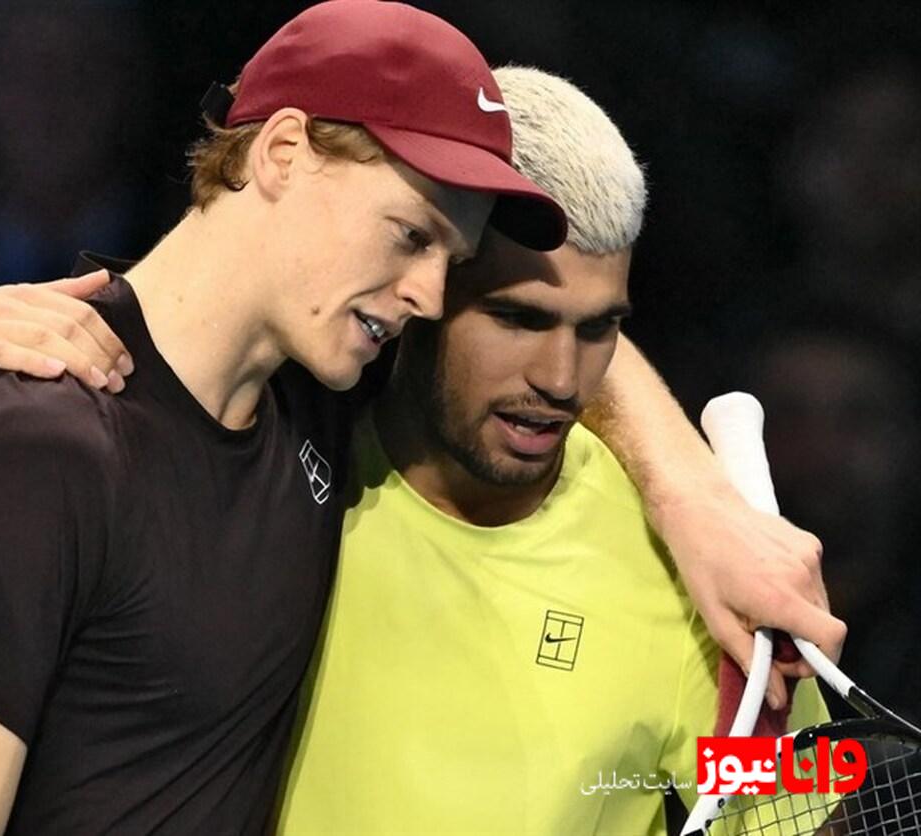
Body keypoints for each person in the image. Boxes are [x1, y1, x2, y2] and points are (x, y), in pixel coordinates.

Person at [0, 3, 843, 832]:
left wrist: (696, 497)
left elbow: (805, 804)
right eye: (411, 236)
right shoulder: (45, 434)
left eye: (450, 261)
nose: (425, 294)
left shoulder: (316, 412)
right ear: (282, 153)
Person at [274, 66, 830, 834]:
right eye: (519, 319)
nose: (562, 380)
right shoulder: (270, 469)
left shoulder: (715, 581)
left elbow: (806, 816)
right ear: (424, 282)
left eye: (599, 328)